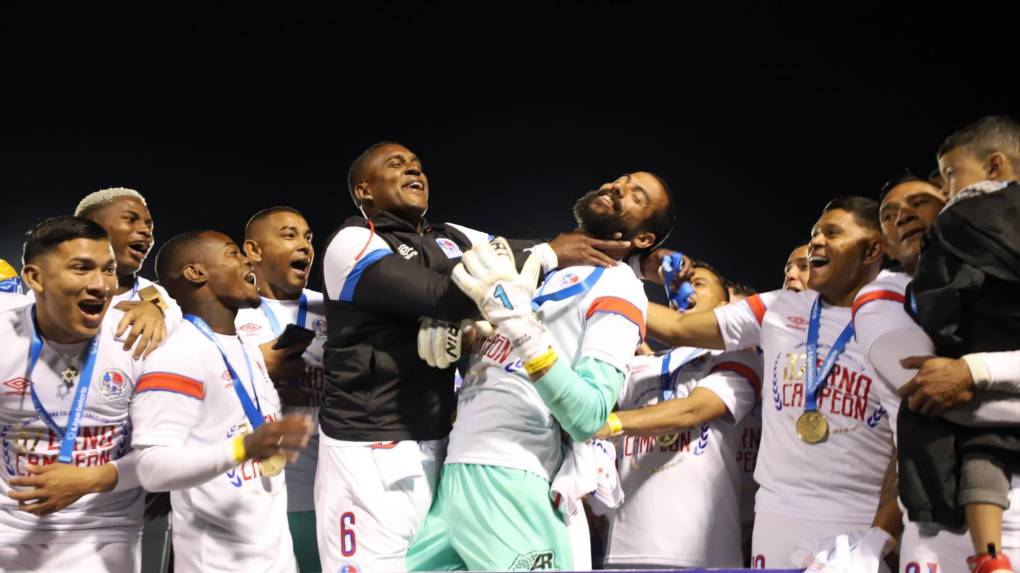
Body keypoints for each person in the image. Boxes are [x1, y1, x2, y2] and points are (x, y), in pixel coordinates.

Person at [315, 141, 634, 572]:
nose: (414, 170)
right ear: (364, 190)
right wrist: (543, 255)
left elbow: (525, 256)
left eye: (418, 164)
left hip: (441, 446)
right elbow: (439, 295)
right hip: (367, 443)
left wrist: (633, 269)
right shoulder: (351, 241)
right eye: (397, 164)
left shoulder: (452, 236)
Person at [406, 170, 673, 571]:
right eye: (621, 179)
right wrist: (468, 342)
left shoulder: (620, 290)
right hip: (457, 473)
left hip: (513, 478)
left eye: (636, 195)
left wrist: (518, 324)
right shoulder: (546, 269)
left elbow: (589, 415)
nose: (617, 187)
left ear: (644, 239)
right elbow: (511, 358)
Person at [644, 196, 897, 568]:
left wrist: (878, 538)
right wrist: (613, 283)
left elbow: (908, 442)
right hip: (778, 513)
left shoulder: (899, 315)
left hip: (858, 513)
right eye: (814, 235)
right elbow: (677, 328)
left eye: (832, 233)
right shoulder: (778, 307)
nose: (817, 243)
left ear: (873, 248)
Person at [128, 230, 313, 573]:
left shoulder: (246, 350)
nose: (247, 260)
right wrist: (244, 448)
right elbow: (151, 468)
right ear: (196, 273)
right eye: (233, 254)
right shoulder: (178, 355)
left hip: (275, 559)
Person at [893, 116, 1020, 573]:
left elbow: (943, 300)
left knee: (978, 449)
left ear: (994, 166)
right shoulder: (878, 302)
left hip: (983, 354)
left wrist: (965, 363)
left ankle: (989, 557)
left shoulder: (962, 219)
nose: (946, 192)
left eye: (949, 175)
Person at [0, 217, 144, 571]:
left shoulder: (142, 339)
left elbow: (163, 452)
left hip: (105, 535)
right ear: (34, 278)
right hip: (8, 536)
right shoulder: (4, 332)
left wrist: (91, 479)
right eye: (81, 269)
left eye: (108, 270)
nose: (100, 285)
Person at [597, 262, 762, 569]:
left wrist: (611, 424)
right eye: (677, 289)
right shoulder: (633, 364)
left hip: (702, 552)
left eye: (699, 284)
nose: (685, 291)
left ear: (726, 307)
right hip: (623, 550)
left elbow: (694, 409)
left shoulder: (738, 357)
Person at [236, 206, 324, 572]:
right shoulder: (231, 313)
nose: (304, 246)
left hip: (329, 488)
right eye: (289, 236)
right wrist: (260, 372)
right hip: (253, 493)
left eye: (308, 238)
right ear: (253, 251)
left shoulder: (331, 308)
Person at [74, 187, 181, 358]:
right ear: (91, 228)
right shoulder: (55, 287)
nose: (146, 231)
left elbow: (173, 327)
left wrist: (157, 312)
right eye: (131, 220)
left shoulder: (151, 293)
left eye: (149, 225)